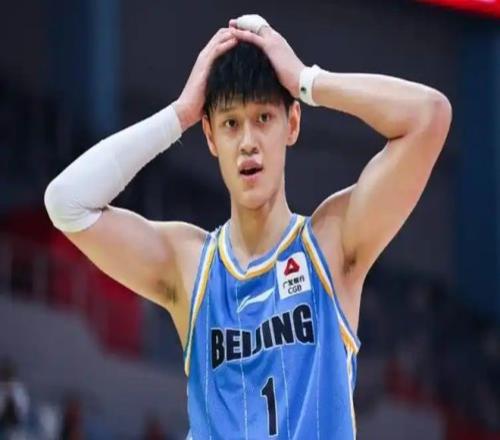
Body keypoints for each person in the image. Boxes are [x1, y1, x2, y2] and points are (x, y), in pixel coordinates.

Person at [44, 14, 452, 440]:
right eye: (231, 124)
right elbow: (67, 203)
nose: (248, 143)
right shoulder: (189, 266)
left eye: (263, 118)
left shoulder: (332, 243)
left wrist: (306, 80)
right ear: (210, 136)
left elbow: (430, 115)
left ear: (292, 123)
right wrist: (180, 114)